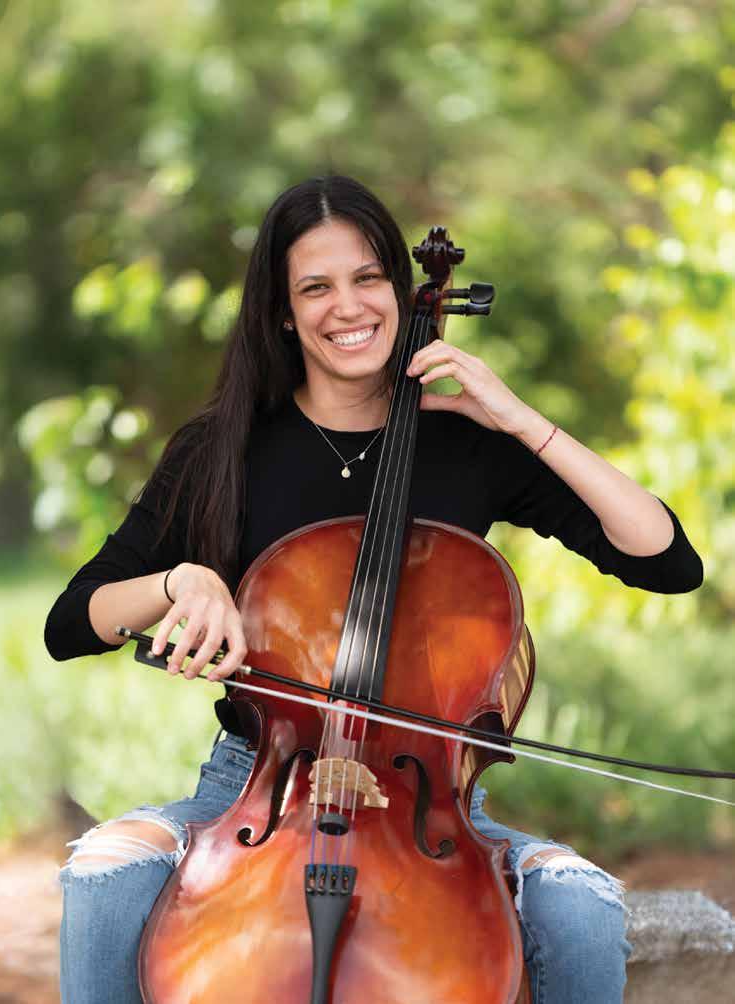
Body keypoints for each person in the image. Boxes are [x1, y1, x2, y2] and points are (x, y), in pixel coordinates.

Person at [45, 175, 703, 1004]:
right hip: (253, 790)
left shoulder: (468, 444)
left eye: (366, 278)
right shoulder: (223, 448)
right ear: (283, 312)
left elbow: (665, 561)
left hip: (426, 806)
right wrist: (180, 581)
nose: (347, 306)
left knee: (580, 911)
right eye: (315, 287)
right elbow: (72, 622)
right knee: (103, 877)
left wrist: (518, 420)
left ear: (399, 288)